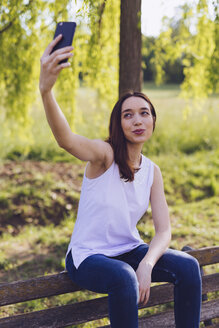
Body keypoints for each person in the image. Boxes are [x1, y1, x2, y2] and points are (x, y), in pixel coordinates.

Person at [39, 34, 202, 328]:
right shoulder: (105, 155)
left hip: (128, 251)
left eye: (144, 113)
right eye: (128, 115)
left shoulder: (152, 171)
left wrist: (147, 264)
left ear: (153, 120)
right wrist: (46, 91)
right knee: (124, 277)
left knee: (188, 266)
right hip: (88, 257)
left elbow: (164, 231)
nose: (137, 120)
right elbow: (66, 140)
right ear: (119, 123)